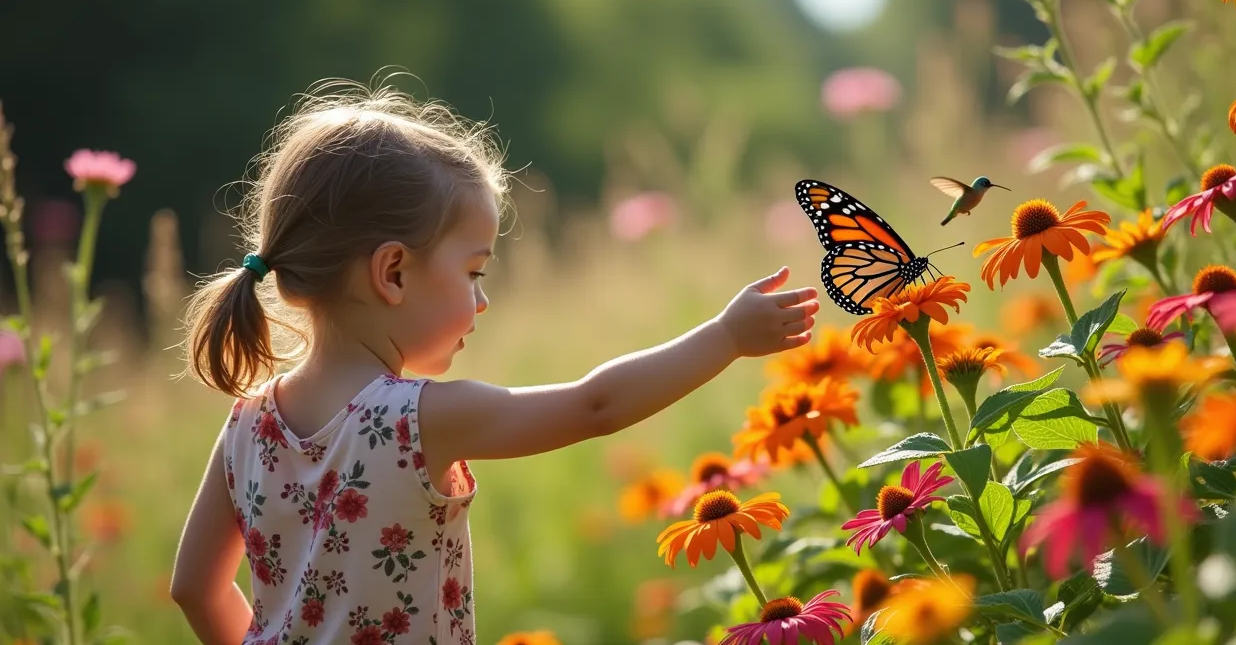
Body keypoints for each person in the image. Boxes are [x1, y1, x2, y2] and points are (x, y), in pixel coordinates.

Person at [168, 81, 819, 645]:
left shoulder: (247, 426)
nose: (482, 301)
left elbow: (195, 588)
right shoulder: (416, 419)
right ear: (393, 272)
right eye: (473, 270)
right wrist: (726, 337)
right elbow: (597, 405)